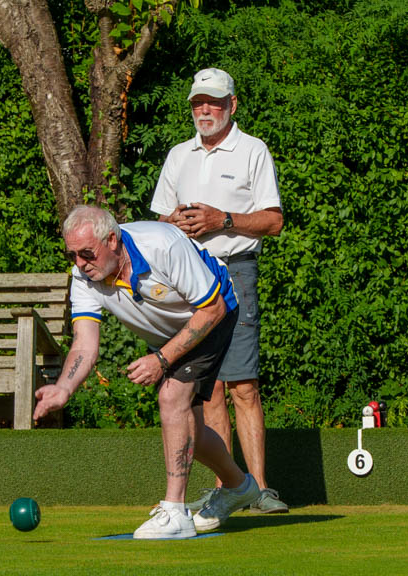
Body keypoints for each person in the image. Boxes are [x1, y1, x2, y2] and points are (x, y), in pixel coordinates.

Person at [33, 205, 260, 539]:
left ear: (111, 240)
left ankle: (175, 512)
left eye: (86, 253)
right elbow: (84, 345)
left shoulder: (162, 244)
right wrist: (64, 387)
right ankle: (239, 487)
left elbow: (212, 308)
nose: (80, 263)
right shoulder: (84, 277)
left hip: (212, 312)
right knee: (190, 429)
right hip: (174, 330)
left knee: (171, 395)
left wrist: (162, 360)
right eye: (73, 255)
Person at [150, 67, 288, 529]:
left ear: (232, 105)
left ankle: (261, 488)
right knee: (207, 392)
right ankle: (225, 487)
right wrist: (177, 222)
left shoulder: (253, 150)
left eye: (212, 102)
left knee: (243, 384)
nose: (203, 110)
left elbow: (273, 221)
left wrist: (221, 220)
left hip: (235, 271)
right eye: (196, 103)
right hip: (188, 280)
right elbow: (158, 221)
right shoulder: (177, 155)